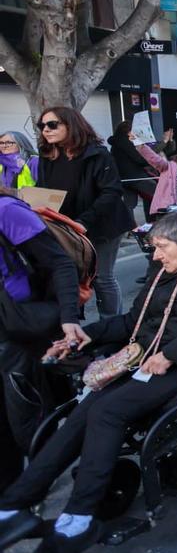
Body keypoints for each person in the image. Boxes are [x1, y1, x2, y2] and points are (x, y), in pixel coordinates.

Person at [0, 211, 177, 553]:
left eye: (161, 248)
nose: (155, 256)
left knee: (107, 410)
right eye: (153, 249)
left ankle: (80, 516)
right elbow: (133, 323)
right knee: (85, 409)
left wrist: (173, 354)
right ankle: (17, 501)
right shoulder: (164, 273)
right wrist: (85, 334)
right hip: (150, 355)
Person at [0, 190, 80, 492]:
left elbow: (59, 263)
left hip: (14, 326)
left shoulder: (6, 210)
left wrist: (69, 317)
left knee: (24, 410)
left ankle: (39, 479)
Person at [35, 106, 134, 319]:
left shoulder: (97, 154)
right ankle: (72, 329)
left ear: (71, 125)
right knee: (71, 276)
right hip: (66, 228)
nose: (46, 130)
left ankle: (111, 325)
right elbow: (44, 191)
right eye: (42, 125)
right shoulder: (47, 155)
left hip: (103, 225)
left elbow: (111, 191)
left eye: (52, 124)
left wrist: (84, 222)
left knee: (101, 278)